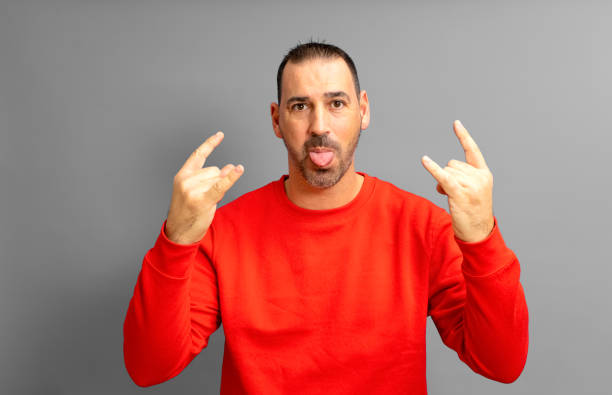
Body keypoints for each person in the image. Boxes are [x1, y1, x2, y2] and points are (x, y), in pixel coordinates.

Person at [123, 41, 529, 394]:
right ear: (276, 119)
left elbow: (501, 364)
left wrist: (480, 239)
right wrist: (175, 240)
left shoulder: (423, 227)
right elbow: (149, 368)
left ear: (363, 111)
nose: (319, 126)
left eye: (337, 103)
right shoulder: (223, 232)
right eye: (300, 106)